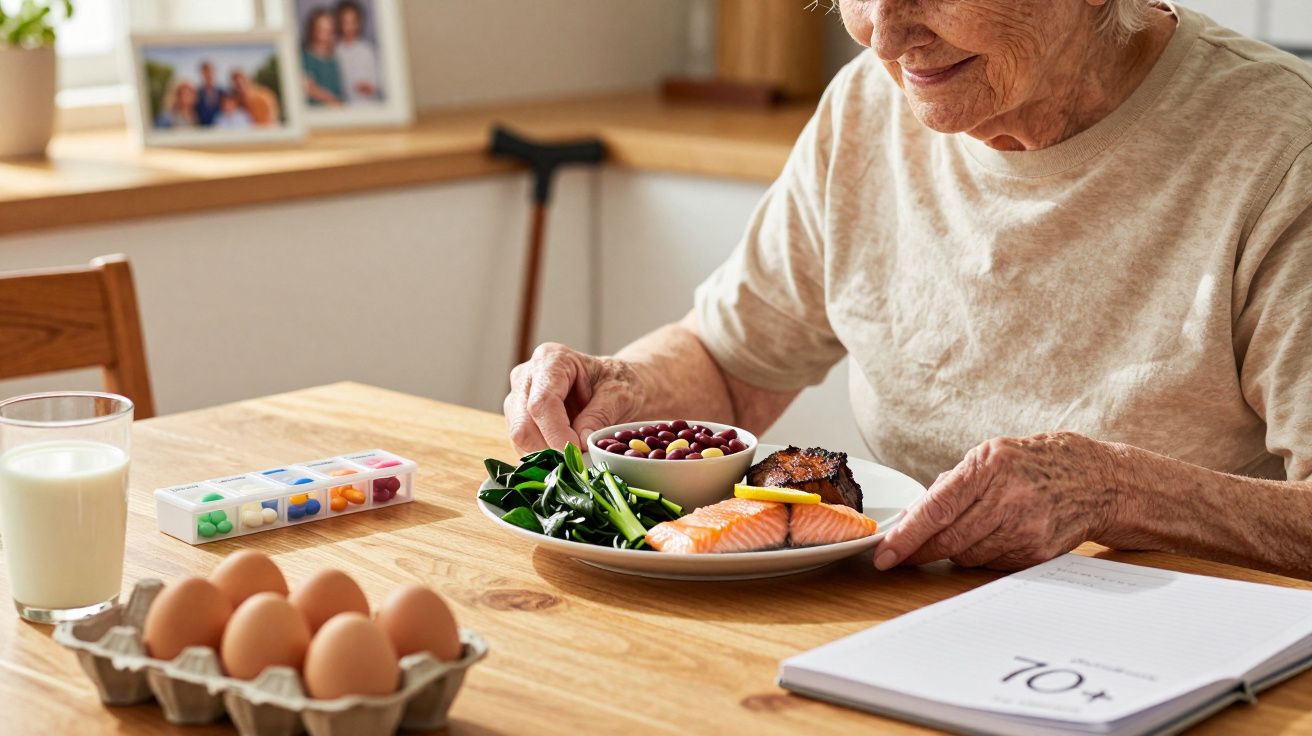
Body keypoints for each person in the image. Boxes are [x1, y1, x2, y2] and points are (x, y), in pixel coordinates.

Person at [502, 1, 1312, 579]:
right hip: (909, 620)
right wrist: (624, 389)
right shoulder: (869, 105)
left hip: (1200, 649)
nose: (884, 36)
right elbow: (731, 362)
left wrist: (1115, 493)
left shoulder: (1280, 150)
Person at [335, 0, 382, 103]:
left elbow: (378, 82)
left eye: (353, 22)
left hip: (368, 104)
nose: (349, 27)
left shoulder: (367, 50)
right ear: (339, 23)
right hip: (345, 105)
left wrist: (369, 87)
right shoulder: (336, 50)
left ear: (359, 23)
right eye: (345, 22)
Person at [301, 7, 344, 106]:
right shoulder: (307, 58)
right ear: (313, 31)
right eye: (322, 30)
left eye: (331, 31)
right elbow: (308, 88)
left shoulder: (334, 58)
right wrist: (333, 100)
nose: (327, 36)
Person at [193, 60, 223, 126]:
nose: (209, 75)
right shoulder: (197, 94)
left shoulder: (222, 93)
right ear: (202, 74)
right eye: (206, 72)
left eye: (210, 72)